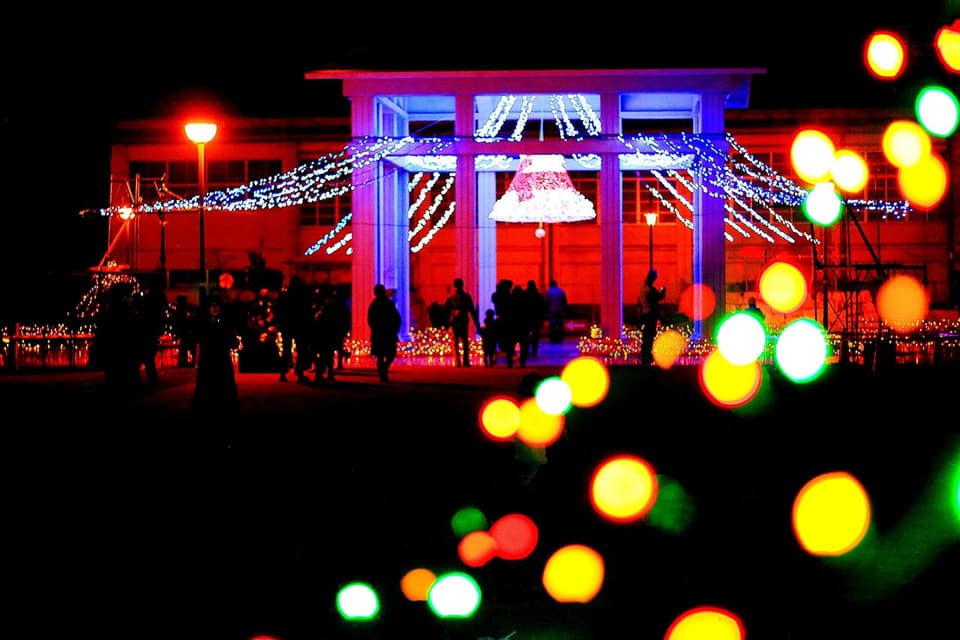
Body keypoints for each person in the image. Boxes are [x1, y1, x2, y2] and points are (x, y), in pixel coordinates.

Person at [192, 296, 240, 417]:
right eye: (213, 306)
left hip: (222, 360)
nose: (215, 308)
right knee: (206, 388)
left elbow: (233, 342)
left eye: (217, 306)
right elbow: (198, 337)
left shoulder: (225, 322)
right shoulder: (202, 323)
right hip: (208, 360)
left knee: (224, 388)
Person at [274, 275, 314, 384]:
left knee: (286, 350)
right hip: (299, 326)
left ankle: (283, 373)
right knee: (301, 350)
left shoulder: (284, 295)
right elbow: (307, 311)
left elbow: (278, 310)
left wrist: (279, 324)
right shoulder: (303, 296)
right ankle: (299, 372)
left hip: (287, 326)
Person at [367, 283, 401, 382]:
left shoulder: (377, 304)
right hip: (386, 333)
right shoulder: (386, 303)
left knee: (382, 355)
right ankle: (383, 372)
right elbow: (396, 317)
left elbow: (370, 320)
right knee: (388, 354)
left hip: (381, 333)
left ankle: (383, 370)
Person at [443, 277, 480, 367]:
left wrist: (446, 323)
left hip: (455, 321)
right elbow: (472, 310)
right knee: (464, 341)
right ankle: (465, 361)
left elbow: (446, 311)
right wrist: (477, 323)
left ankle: (458, 361)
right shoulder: (466, 297)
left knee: (456, 342)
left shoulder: (451, 298)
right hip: (463, 321)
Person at [639, 268, 666, 366]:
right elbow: (658, 297)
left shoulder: (643, 288)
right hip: (650, 315)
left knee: (647, 336)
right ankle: (646, 356)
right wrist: (663, 291)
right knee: (649, 336)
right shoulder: (649, 289)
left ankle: (645, 355)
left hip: (646, 315)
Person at [524, 279, 547, 358]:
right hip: (536, 319)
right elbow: (542, 308)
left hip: (526, 318)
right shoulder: (538, 296)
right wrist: (542, 318)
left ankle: (526, 350)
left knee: (526, 335)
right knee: (535, 335)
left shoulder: (525, 295)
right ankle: (534, 350)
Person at [544, 279, 568, 344]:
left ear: (550, 285)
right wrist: (565, 311)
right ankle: (560, 338)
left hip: (552, 311)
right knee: (560, 325)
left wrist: (546, 312)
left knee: (552, 325)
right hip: (560, 311)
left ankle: (553, 338)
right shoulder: (561, 291)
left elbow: (546, 302)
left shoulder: (549, 292)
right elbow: (564, 302)